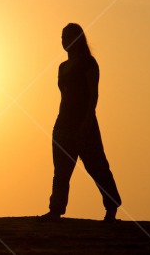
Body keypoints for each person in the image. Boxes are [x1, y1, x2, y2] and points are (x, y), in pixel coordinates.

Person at [39, 23, 122, 222]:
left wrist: (86, 123)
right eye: (62, 38)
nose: (64, 41)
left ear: (78, 39)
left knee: (97, 167)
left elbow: (93, 95)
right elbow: (64, 97)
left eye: (68, 37)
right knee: (61, 171)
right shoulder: (61, 67)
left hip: (85, 124)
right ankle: (55, 209)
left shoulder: (89, 63)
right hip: (63, 125)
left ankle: (111, 208)